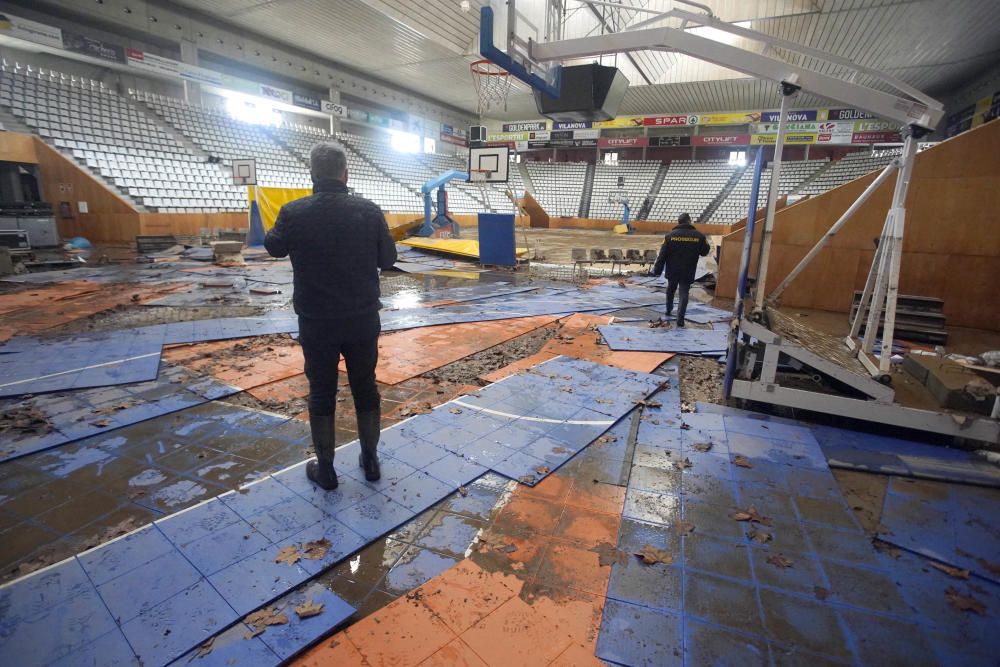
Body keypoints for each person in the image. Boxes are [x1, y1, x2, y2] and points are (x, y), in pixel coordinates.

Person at [265, 142, 397, 490]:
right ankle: (370, 461)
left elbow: (273, 246)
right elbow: (388, 259)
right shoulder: (369, 211)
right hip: (362, 319)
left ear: (311, 174)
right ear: (346, 173)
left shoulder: (293, 212)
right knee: (365, 388)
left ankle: (326, 470)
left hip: (316, 321)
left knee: (321, 392)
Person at [650, 212, 711, 327]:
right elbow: (705, 252)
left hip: (672, 270)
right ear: (689, 221)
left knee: (671, 290)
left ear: (678, 222)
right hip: (688, 270)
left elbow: (662, 255)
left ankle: (668, 310)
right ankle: (680, 318)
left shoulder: (669, 236)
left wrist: (657, 270)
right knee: (684, 293)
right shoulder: (699, 236)